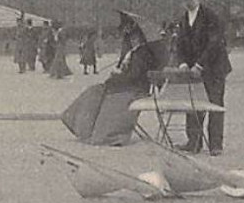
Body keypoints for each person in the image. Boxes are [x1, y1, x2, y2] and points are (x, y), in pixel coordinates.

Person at [61, 9, 167, 146]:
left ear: (139, 36)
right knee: (94, 92)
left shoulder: (143, 53)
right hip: (124, 86)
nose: (129, 39)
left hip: (135, 89)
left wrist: (117, 78)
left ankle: (108, 134)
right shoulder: (133, 52)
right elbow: (128, 72)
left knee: (108, 99)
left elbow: (135, 76)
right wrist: (117, 76)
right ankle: (84, 129)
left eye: (132, 36)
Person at [173, 0, 232, 155]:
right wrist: (183, 63)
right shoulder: (183, 19)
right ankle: (194, 141)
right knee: (193, 104)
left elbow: (214, 44)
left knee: (214, 103)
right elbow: (180, 45)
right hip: (193, 70)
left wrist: (200, 65)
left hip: (214, 68)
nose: (188, 1)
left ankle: (215, 144)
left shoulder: (211, 17)